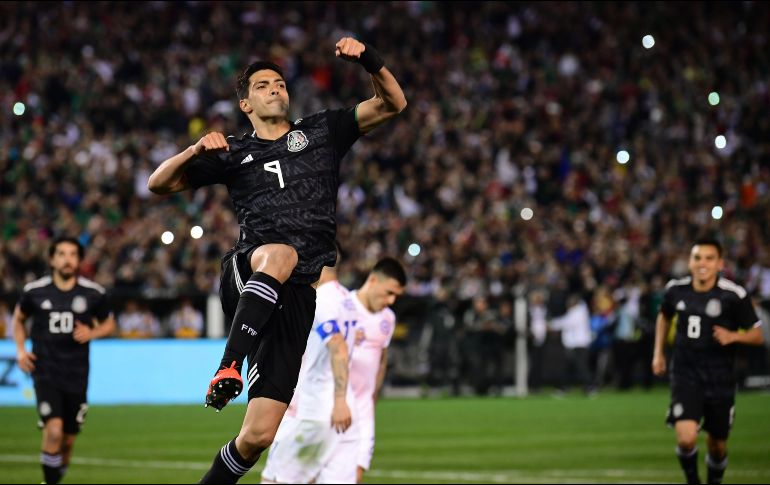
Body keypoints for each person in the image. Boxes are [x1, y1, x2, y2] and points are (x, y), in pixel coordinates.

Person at [147, 37, 406, 484]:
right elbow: (158, 183)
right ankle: (228, 364)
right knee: (282, 253)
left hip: (295, 297)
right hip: (249, 269)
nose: (275, 89)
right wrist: (194, 150)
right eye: (263, 85)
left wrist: (368, 59)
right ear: (245, 102)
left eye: (280, 83)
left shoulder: (323, 132)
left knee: (259, 434)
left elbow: (393, 103)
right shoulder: (232, 151)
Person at [652, 237, 764, 485]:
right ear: (690, 262)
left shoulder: (733, 295)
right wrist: (658, 353)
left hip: (720, 378)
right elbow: (664, 317)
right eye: (697, 258)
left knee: (717, 446)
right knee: (686, 438)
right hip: (685, 374)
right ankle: (693, 481)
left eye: (709, 258)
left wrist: (733, 336)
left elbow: (758, 335)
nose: (702, 263)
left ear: (719, 263)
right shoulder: (675, 290)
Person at [12, 237, 116, 485]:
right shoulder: (34, 292)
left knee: (67, 441)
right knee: (54, 431)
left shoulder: (93, 294)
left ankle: (54, 478)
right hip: (45, 371)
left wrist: (92, 332)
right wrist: (20, 350)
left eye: (72, 254)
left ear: (79, 260)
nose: (67, 259)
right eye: (61, 254)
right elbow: (18, 319)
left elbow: (110, 323)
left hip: (77, 375)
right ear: (51, 259)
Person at [260, 253, 355, 483]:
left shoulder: (321, 300)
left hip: (310, 410)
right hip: (328, 410)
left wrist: (340, 399)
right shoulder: (349, 300)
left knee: (273, 480)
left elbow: (338, 347)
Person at [336, 257, 404, 483]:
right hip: (334, 407)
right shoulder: (342, 306)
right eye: (389, 293)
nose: (391, 301)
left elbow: (381, 360)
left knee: (354, 477)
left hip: (364, 412)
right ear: (373, 280)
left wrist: (373, 396)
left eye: (396, 296)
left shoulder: (388, 319)